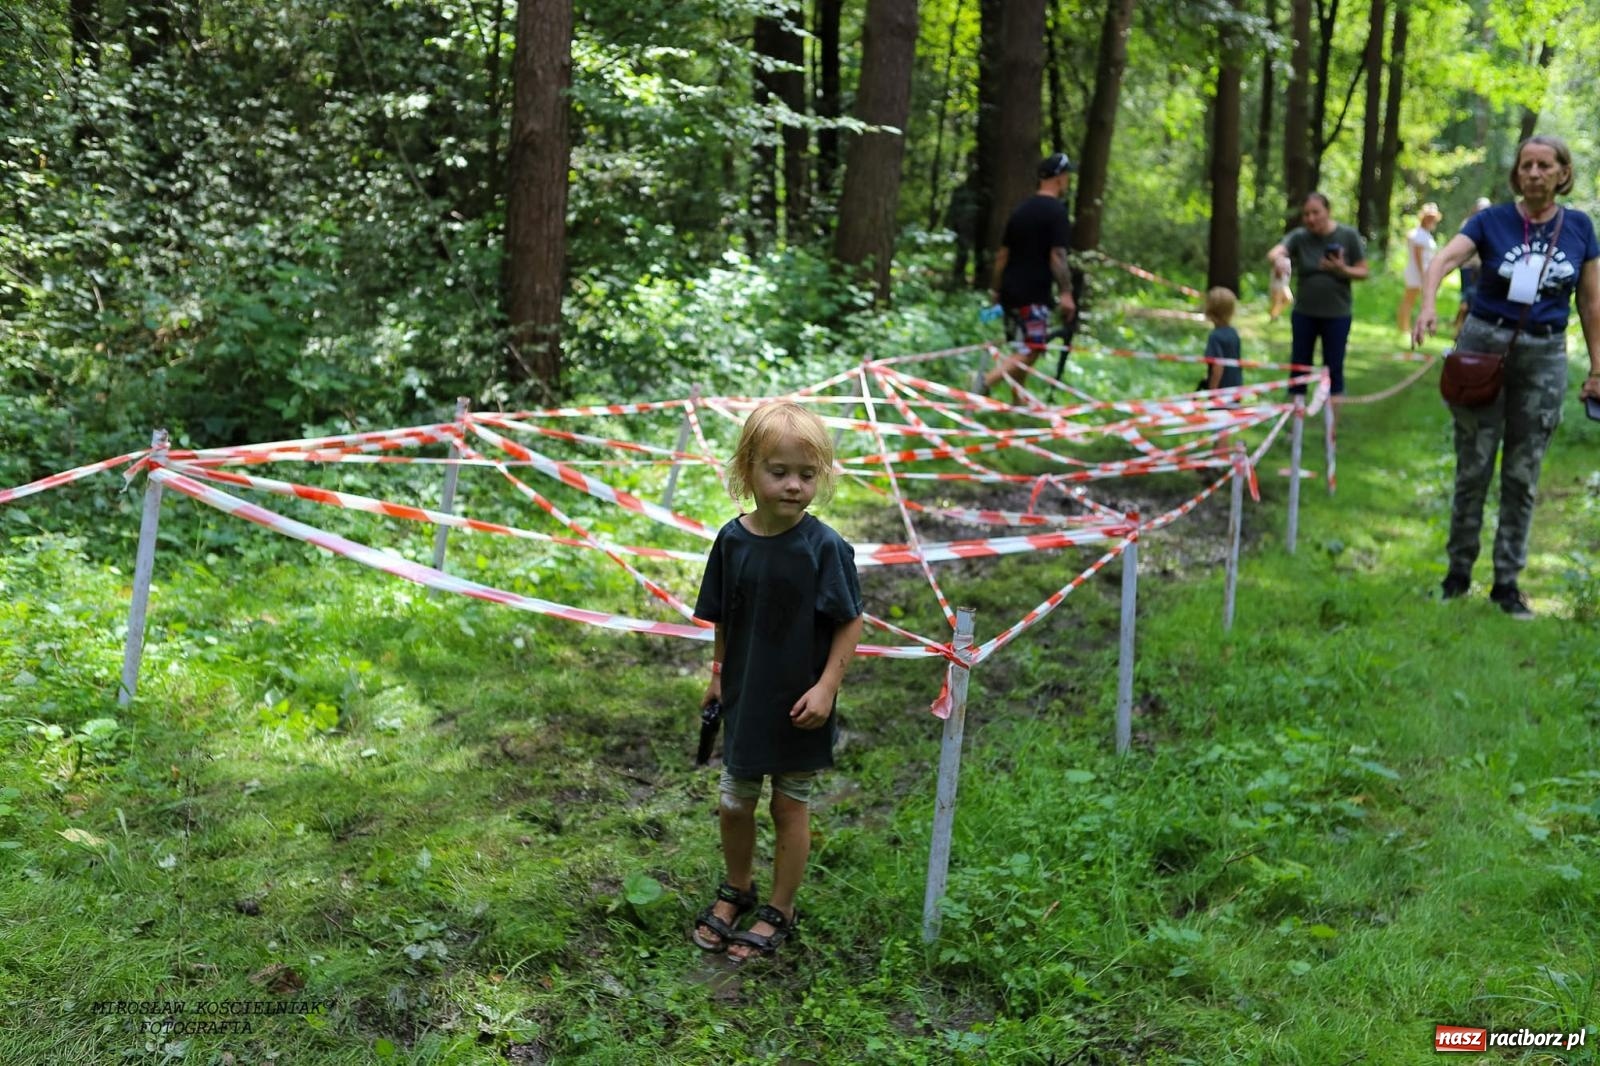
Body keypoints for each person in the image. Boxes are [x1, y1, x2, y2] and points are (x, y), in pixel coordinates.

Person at [689, 400, 864, 960]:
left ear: (823, 477)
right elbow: (723, 616)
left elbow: (849, 620)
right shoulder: (731, 542)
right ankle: (737, 888)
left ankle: (781, 906)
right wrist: (717, 676)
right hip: (745, 698)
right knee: (735, 801)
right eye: (779, 471)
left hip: (800, 705)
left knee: (790, 805)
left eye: (807, 475)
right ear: (748, 471)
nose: (793, 486)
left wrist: (827, 687)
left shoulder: (826, 548)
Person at [1412, 135, 1600, 618]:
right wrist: (1429, 302)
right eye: (1526, 166)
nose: (1534, 173)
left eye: (1544, 165)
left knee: (1522, 473)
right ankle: (1456, 576)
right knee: (1473, 467)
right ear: (1517, 174)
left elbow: (1593, 303)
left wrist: (1599, 368)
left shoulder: (1580, 228)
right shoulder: (1490, 220)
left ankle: (1506, 584)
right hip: (1482, 349)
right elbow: (1443, 258)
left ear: (1562, 173)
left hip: (1544, 356)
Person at [975, 152, 1078, 395]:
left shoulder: (1020, 210)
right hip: (1034, 293)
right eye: (1067, 176)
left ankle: (1018, 404)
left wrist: (997, 289)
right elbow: (1057, 256)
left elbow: (1002, 255)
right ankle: (985, 382)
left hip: (1010, 292)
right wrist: (1066, 293)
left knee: (1023, 345)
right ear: (1059, 178)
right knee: (1033, 348)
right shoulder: (1057, 212)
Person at [1265, 192, 1370, 396]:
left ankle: (1331, 426)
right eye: (1306, 214)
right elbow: (1275, 252)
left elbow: (1364, 271)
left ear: (1327, 211)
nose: (1311, 219)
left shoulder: (1347, 235)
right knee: (1299, 368)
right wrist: (1278, 260)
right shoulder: (1299, 236)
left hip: (1337, 314)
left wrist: (1342, 269)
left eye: (1316, 212)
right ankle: (1296, 423)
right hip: (1305, 313)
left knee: (1333, 370)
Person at [1397, 202, 1443, 337]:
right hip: (1417, 271)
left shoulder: (1426, 234)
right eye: (1429, 218)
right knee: (1409, 299)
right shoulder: (1418, 234)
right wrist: (1423, 275)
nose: (1432, 221)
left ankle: (1413, 327)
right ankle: (1403, 327)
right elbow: (1418, 257)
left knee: (1419, 300)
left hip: (1423, 271)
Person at [1452, 197, 1494, 332]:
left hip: (1482, 267)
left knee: (1476, 298)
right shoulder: (1468, 223)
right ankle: (1459, 328)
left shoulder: (1491, 225)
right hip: (1468, 267)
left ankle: (1467, 329)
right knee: (1466, 297)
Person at [1200, 287, 1243, 393]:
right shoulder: (1234, 333)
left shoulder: (1215, 336)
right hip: (1235, 387)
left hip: (1221, 391)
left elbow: (1218, 366)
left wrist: (1212, 390)